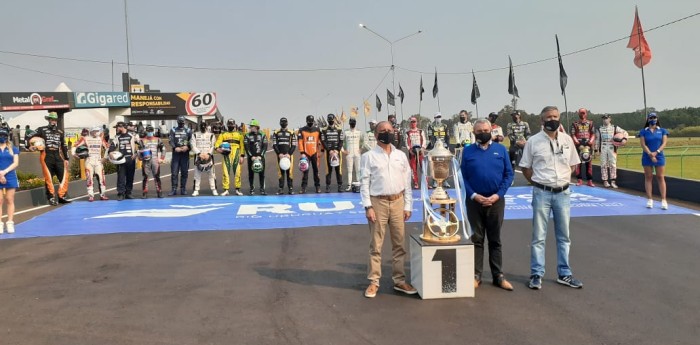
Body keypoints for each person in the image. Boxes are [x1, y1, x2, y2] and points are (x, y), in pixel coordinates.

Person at [519, 106, 583, 290]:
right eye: (548, 117)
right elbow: (525, 167)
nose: (552, 119)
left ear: (559, 118)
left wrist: (562, 179)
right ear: (542, 120)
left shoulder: (567, 140)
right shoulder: (533, 141)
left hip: (562, 192)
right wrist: (538, 182)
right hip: (542, 192)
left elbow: (573, 165)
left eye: (555, 116)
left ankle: (565, 273)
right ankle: (536, 273)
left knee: (564, 236)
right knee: (538, 236)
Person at [360, 121, 417, 298]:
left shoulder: (401, 155)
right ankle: (374, 281)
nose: (387, 133)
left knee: (399, 244)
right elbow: (364, 183)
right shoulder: (369, 156)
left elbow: (407, 182)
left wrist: (408, 205)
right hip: (378, 203)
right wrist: (368, 206)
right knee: (376, 245)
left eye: (390, 131)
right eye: (383, 131)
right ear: (376, 135)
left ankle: (399, 280)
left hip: (398, 201)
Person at [460, 119, 514, 291]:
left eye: (485, 129)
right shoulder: (467, 152)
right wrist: (474, 195)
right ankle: (476, 275)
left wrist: (497, 195)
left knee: (495, 240)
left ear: (491, 130)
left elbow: (509, 174)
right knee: (477, 239)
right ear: (474, 133)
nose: (482, 132)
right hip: (474, 202)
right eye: (479, 130)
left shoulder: (500, 149)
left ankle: (498, 276)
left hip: (495, 202)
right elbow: (463, 177)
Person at [26, 112, 71, 206]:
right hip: (46, 155)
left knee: (64, 176)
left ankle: (61, 196)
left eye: (54, 120)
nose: (53, 121)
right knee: (48, 178)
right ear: (48, 120)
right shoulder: (41, 129)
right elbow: (29, 136)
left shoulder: (60, 131)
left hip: (58, 156)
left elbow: (64, 145)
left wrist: (67, 158)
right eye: (51, 119)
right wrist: (29, 146)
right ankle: (51, 197)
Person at [639, 112, 669, 210]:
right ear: (648, 119)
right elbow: (643, 144)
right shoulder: (643, 131)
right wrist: (650, 154)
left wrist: (657, 152)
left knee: (660, 177)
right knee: (648, 177)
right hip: (647, 156)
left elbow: (664, 143)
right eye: (651, 117)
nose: (653, 119)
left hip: (659, 155)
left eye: (654, 117)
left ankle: (664, 200)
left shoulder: (663, 131)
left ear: (657, 119)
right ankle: (650, 199)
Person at [73, 126, 109, 201]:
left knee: (102, 178)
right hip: (89, 160)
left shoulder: (100, 138)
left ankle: (103, 195)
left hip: (99, 161)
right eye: (94, 131)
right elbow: (74, 146)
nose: (96, 132)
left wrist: (105, 158)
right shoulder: (85, 138)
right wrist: (74, 154)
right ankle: (91, 196)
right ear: (91, 131)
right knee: (89, 179)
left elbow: (107, 148)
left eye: (97, 131)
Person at [597, 114, 628, 188]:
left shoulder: (614, 127)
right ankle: (605, 181)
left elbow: (625, 132)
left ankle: (613, 181)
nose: (605, 120)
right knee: (603, 164)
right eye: (604, 118)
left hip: (612, 146)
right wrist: (596, 149)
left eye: (606, 118)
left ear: (610, 119)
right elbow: (597, 139)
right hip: (603, 146)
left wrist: (624, 139)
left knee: (613, 164)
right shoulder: (599, 128)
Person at [215, 119, 245, 196]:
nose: (231, 126)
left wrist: (242, 156)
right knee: (225, 172)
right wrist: (218, 149)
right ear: (227, 125)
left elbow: (242, 146)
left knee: (238, 172)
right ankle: (226, 189)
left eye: (232, 124)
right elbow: (217, 143)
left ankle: (238, 189)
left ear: (235, 125)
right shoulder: (223, 134)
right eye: (229, 124)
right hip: (226, 154)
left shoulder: (239, 134)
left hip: (236, 154)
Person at [108, 121, 137, 201]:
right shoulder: (117, 136)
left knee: (130, 177)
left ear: (121, 127)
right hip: (121, 160)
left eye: (117, 127)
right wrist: (110, 152)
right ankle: (121, 193)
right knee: (121, 177)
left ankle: (128, 193)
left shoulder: (133, 135)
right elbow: (112, 146)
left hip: (131, 159)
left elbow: (142, 145)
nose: (116, 129)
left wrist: (136, 154)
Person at [138, 125, 166, 198]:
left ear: (153, 131)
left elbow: (163, 149)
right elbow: (139, 150)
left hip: (155, 160)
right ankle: (144, 193)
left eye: (151, 131)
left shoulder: (158, 139)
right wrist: (140, 157)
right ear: (146, 131)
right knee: (145, 177)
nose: (149, 132)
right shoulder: (142, 140)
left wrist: (162, 158)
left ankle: (159, 192)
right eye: (148, 131)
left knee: (157, 176)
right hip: (145, 161)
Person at [570, 108, 596, 187]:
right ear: (578, 114)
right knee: (578, 163)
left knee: (589, 163)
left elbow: (593, 134)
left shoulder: (590, 123)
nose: (582, 115)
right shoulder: (575, 123)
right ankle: (579, 180)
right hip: (579, 143)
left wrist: (590, 142)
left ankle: (590, 180)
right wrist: (577, 143)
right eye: (581, 113)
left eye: (584, 113)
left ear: (586, 113)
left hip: (588, 143)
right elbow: (572, 134)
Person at [0, 128, 19, 234]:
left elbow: (16, 163)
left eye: (4, 135)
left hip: (10, 175)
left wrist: (5, 172)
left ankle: (10, 222)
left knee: (9, 199)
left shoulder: (13, 148)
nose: (2, 137)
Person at [190, 122, 218, 196]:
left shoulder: (211, 135)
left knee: (212, 174)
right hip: (199, 157)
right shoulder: (195, 135)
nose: (203, 128)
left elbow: (213, 145)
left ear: (206, 127)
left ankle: (214, 189)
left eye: (204, 127)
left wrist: (208, 154)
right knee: (197, 174)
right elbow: (193, 145)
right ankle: (196, 190)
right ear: (200, 127)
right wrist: (199, 154)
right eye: (201, 127)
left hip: (209, 157)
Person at [298, 115, 322, 194]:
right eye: (309, 122)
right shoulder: (302, 130)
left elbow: (321, 140)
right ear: (306, 121)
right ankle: (303, 188)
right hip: (306, 154)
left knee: (316, 171)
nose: (310, 123)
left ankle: (317, 187)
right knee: (305, 171)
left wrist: (322, 150)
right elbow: (300, 142)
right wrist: (302, 153)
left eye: (311, 122)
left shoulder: (317, 130)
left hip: (315, 153)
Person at [272, 117, 297, 195]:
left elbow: (294, 145)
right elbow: (274, 144)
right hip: (280, 156)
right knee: (280, 172)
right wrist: (279, 154)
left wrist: (289, 154)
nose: (283, 124)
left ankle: (290, 188)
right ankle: (281, 188)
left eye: (285, 123)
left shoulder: (291, 132)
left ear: (287, 123)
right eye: (282, 123)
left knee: (290, 172)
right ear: (280, 123)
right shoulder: (276, 132)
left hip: (289, 156)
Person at [169, 115, 192, 196]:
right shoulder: (173, 129)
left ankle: (183, 188)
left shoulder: (188, 130)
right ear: (177, 122)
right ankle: (174, 189)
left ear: (184, 122)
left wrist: (188, 147)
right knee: (174, 172)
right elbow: (170, 140)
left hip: (185, 154)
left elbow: (191, 141)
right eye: (180, 123)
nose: (181, 124)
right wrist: (175, 147)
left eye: (182, 122)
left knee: (184, 172)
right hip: (176, 154)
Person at [244, 119, 268, 195]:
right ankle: (251, 189)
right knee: (251, 174)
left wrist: (261, 156)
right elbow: (246, 147)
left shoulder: (263, 134)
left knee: (262, 174)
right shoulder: (247, 135)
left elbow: (265, 146)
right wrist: (251, 156)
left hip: (261, 158)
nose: (250, 128)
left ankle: (262, 189)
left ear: (256, 127)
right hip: (251, 158)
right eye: (250, 126)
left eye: (252, 126)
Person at [321, 113, 344, 193]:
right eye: (329, 120)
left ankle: (340, 186)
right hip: (328, 152)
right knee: (328, 170)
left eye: (331, 120)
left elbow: (341, 141)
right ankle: (328, 186)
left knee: (338, 170)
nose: (330, 122)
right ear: (327, 121)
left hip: (337, 152)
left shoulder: (339, 129)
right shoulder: (324, 130)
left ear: (334, 120)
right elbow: (323, 141)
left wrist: (337, 150)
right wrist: (329, 150)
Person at [427, 112, 450, 188]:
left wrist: (447, 145)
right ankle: (434, 181)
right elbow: (430, 137)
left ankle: (445, 180)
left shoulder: (445, 126)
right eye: (437, 117)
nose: (439, 118)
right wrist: (434, 145)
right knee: (435, 164)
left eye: (440, 116)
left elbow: (447, 136)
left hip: (444, 147)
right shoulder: (431, 126)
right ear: (434, 118)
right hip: (435, 148)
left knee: (445, 164)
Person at [405, 116, 427, 189]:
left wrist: (423, 148)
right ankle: (416, 183)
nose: (413, 123)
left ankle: (426, 183)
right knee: (413, 169)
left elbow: (424, 140)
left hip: (420, 152)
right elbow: (407, 142)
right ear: (410, 123)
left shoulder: (421, 131)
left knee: (423, 167)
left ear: (416, 122)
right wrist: (409, 150)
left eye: (414, 122)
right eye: (412, 122)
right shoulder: (407, 132)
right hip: (412, 152)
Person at [343, 117, 362, 192]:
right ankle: (349, 185)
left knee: (358, 170)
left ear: (355, 123)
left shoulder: (359, 132)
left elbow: (363, 141)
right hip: (349, 153)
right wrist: (343, 151)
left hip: (357, 153)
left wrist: (361, 148)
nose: (352, 124)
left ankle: (359, 185)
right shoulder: (346, 132)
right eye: (351, 122)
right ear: (349, 123)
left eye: (353, 122)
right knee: (349, 170)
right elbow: (341, 142)